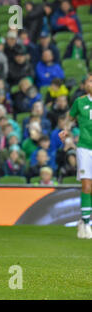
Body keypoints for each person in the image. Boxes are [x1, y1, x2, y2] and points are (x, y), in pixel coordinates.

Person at [58, 73, 92, 239]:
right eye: (90, 81)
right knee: (86, 185)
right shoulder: (80, 102)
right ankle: (86, 223)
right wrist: (66, 130)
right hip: (85, 147)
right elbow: (69, 118)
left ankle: (83, 220)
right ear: (85, 85)